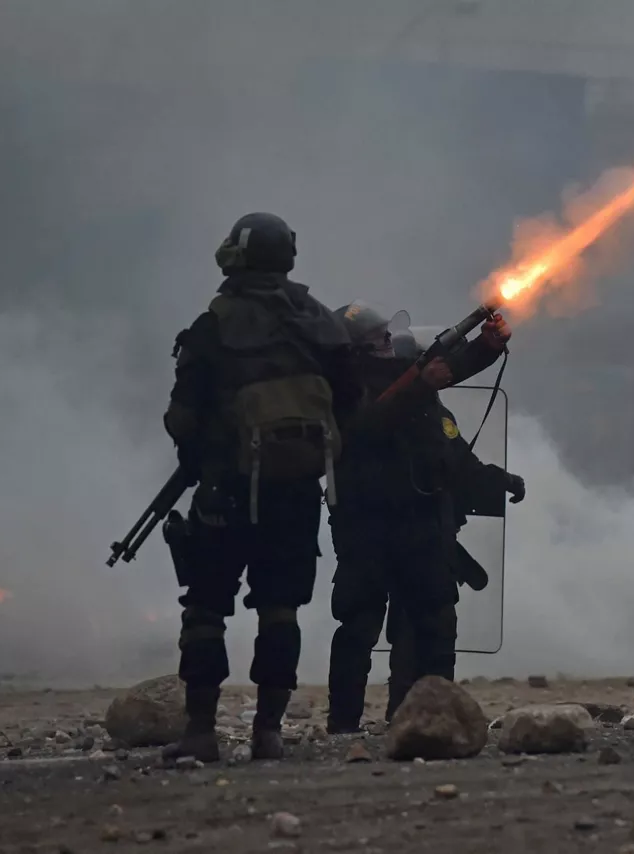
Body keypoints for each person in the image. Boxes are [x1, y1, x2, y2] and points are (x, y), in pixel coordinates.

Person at [162, 212, 361, 762]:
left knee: (205, 610)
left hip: (224, 491)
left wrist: (208, 451)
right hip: (296, 494)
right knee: (280, 610)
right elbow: (351, 404)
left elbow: (182, 418)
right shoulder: (322, 324)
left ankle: (200, 732)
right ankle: (268, 732)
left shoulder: (214, 325)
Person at [325, 301, 522, 734]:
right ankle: (343, 725)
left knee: (434, 622)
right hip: (367, 527)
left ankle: (430, 717)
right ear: (354, 348)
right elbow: (367, 425)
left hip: (420, 525)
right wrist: (418, 384)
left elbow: (447, 374)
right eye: (375, 338)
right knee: (359, 623)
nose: (385, 343)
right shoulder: (343, 388)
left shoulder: (410, 383)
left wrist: (486, 347)